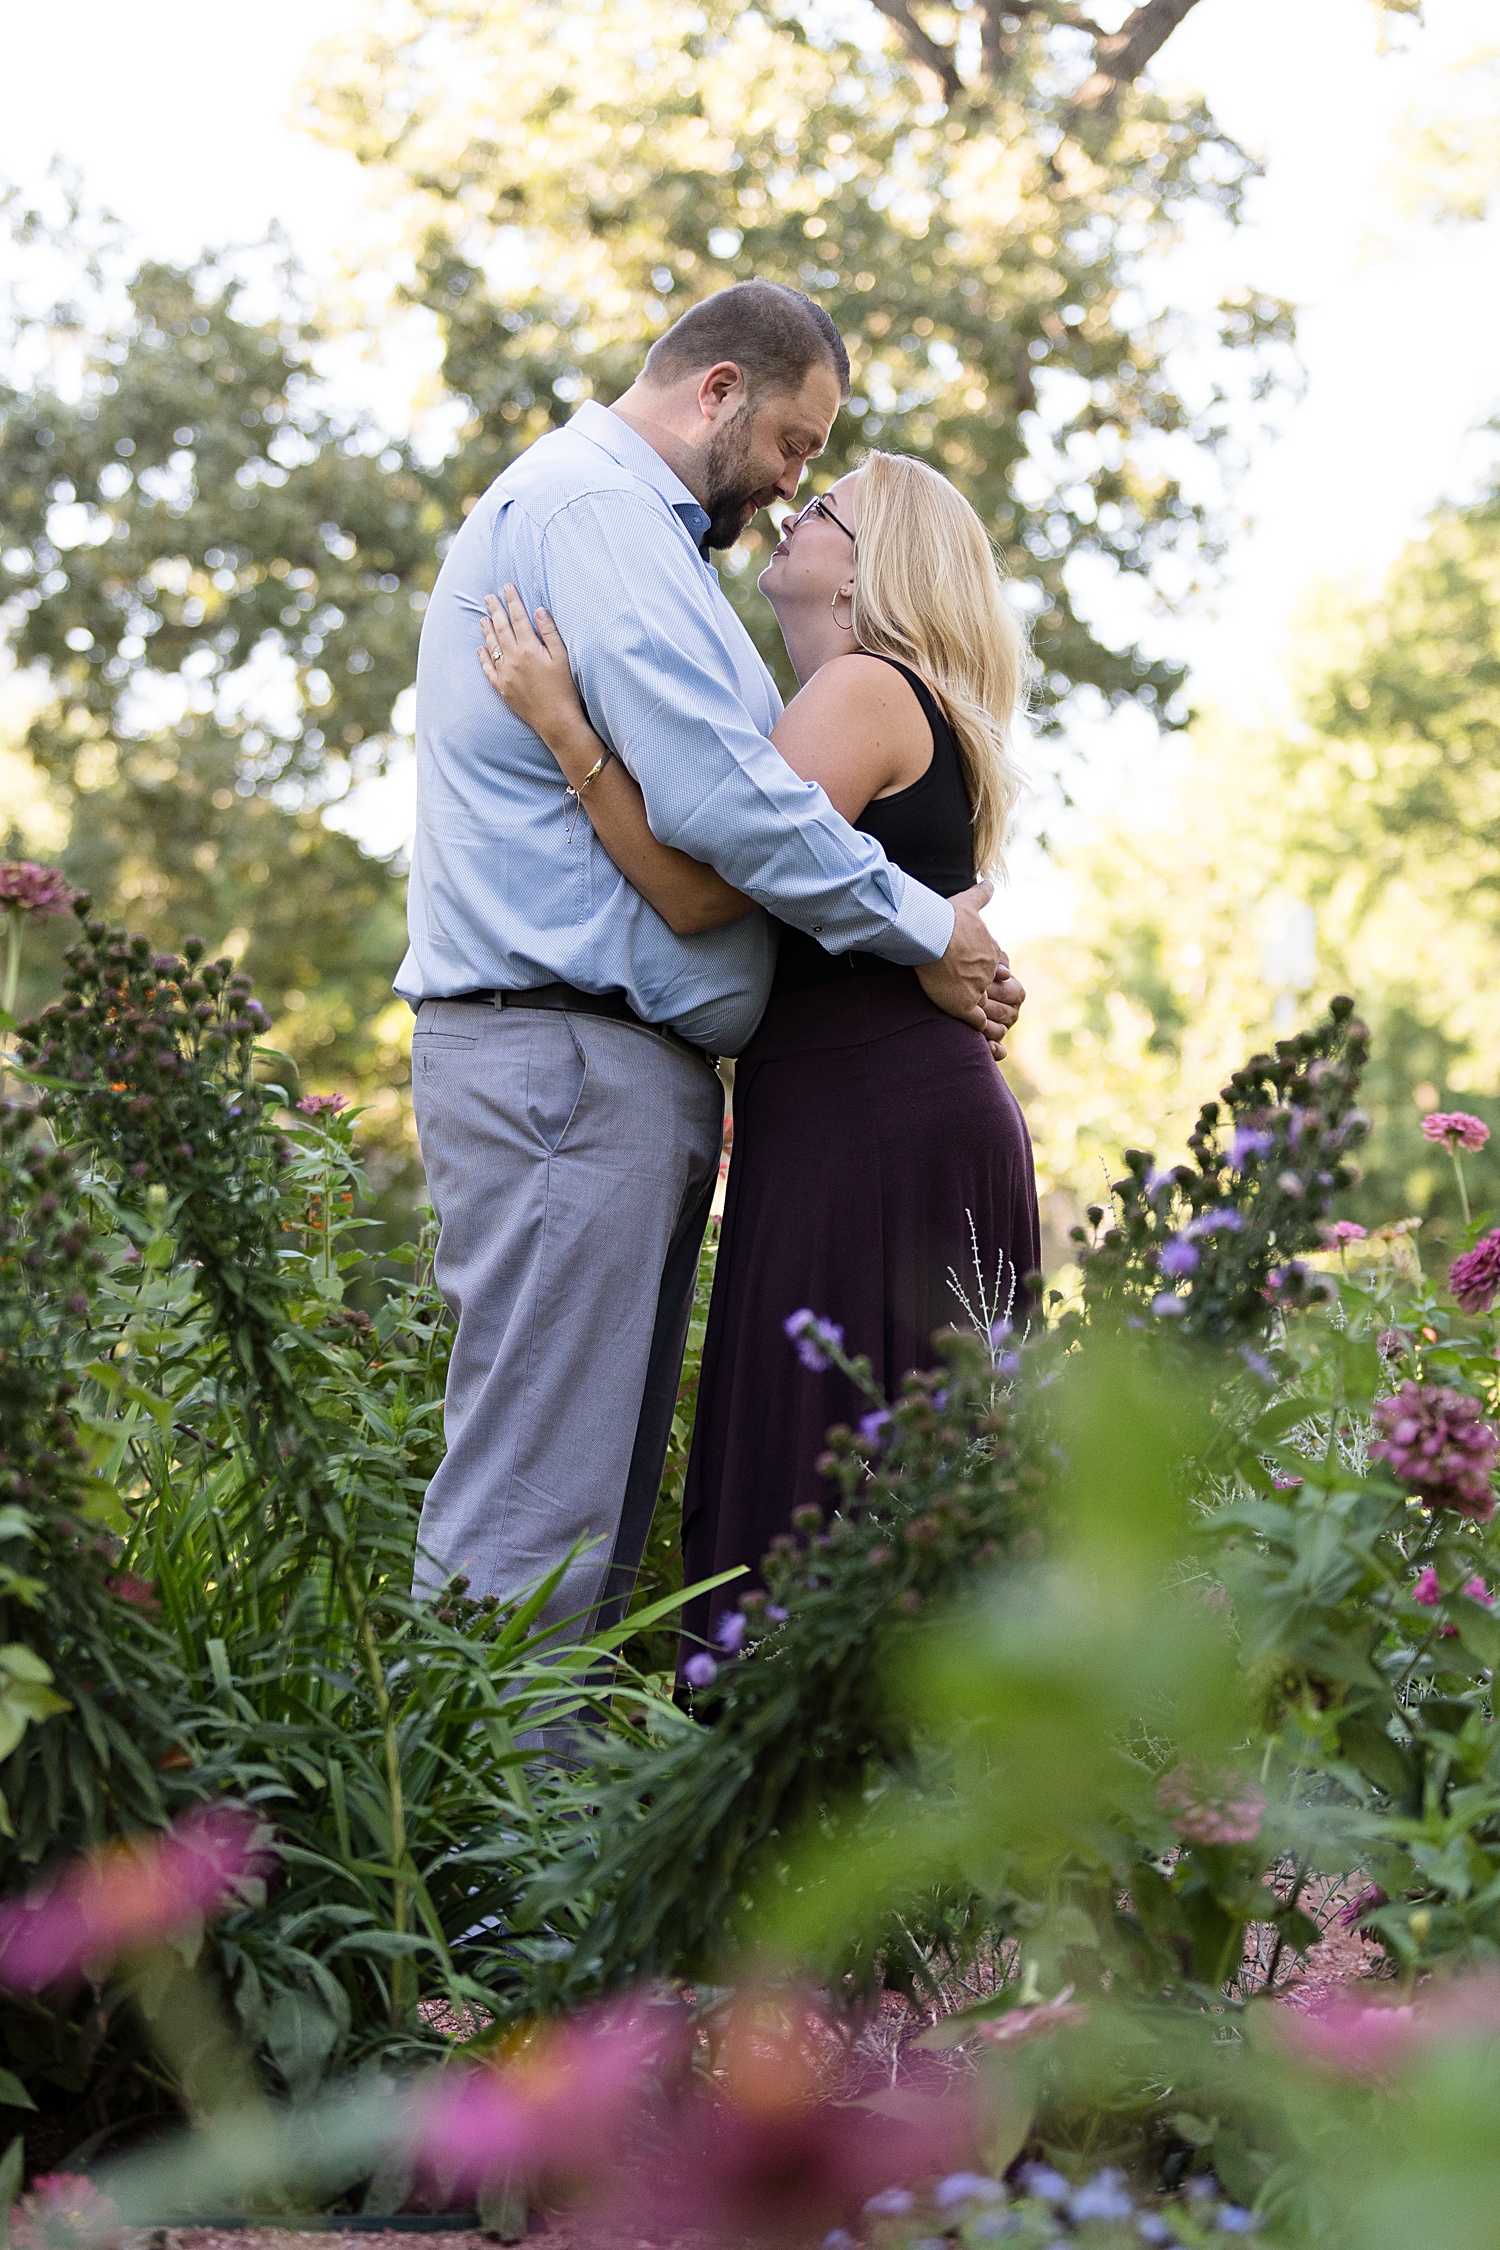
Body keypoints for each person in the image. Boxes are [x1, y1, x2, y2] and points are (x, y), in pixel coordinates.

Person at [397, 279, 1022, 1641]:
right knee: (537, 1507)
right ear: (720, 391)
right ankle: (471, 1848)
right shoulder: (596, 514)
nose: (798, 487)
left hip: (635, 1073)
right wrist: (929, 929)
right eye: (800, 445)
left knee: (589, 1519)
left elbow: (731, 840)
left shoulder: (668, 558)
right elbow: (723, 824)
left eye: (822, 478)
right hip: (568, 1055)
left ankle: (542, 1830)